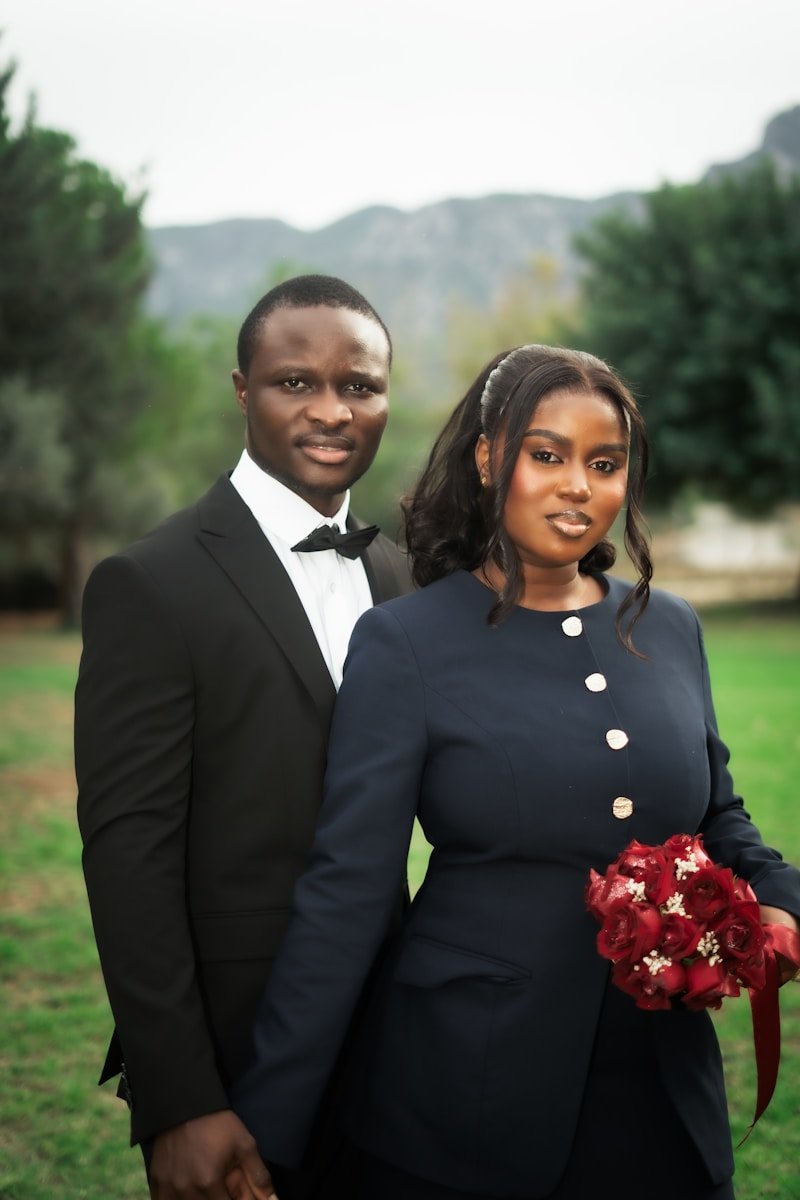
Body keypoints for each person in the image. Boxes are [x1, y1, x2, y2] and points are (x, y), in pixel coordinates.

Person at [232, 344, 800, 1200]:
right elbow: (347, 889)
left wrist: (779, 899)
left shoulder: (672, 627)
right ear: (490, 456)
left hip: (663, 1098)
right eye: (548, 455)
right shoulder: (406, 643)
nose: (580, 486)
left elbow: (719, 816)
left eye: (604, 464)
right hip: (464, 1099)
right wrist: (267, 1119)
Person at [75, 274, 411, 1200]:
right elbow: (127, 856)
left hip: (400, 1045)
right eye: (295, 383)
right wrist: (180, 1100)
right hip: (237, 1051)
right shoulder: (150, 583)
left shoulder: (400, 572)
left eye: (361, 386)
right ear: (241, 391)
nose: (333, 411)